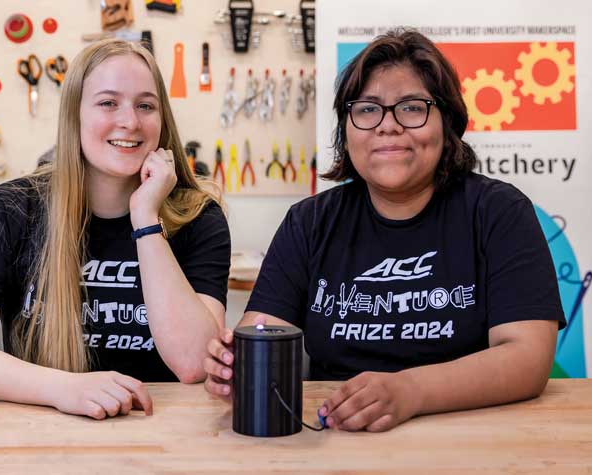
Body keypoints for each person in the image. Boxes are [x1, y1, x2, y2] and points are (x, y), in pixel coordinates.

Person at [204, 29, 565, 432]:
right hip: (336, 434)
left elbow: (527, 359)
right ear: (346, 130)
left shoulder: (499, 212)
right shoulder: (309, 222)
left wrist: (410, 391)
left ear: (448, 123)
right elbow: (260, 332)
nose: (387, 126)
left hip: (472, 435)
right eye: (368, 109)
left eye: (412, 108)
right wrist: (237, 370)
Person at [0, 39, 231, 420]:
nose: (130, 122)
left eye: (146, 105)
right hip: (42, 429)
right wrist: (62, 387)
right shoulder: (9, 209)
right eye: (107, 103)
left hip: (163, 432)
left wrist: (146, 219)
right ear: (75, 115)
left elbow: (194, 363)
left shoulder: (199, 216)